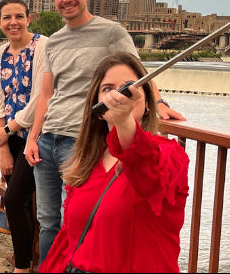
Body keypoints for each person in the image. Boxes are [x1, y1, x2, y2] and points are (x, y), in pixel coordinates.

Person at [26, 0, 185, 265]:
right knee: (48, 219)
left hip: (83, 138)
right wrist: (33, 137)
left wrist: (157, 101)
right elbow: (46, 93)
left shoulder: (112, 32)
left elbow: (135, 73)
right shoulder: (54, 41)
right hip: (49, 137)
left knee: (73, 216)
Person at [40, 53, 190, 273]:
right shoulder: (88, 160)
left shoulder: (169, 155)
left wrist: (124, 122)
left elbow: (147, 173)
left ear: (148, 103)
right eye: (108, 89)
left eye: (129, 87)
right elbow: (68, 240)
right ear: (97, 107)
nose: (119, 95)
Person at [0, 0, 46, 273]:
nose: (14, 22)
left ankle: (23, 267)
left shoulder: (42, 46)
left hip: (37, 135)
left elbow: (39, 99)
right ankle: (29, 260)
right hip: (9, 138)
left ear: (29, 18)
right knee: (22, 203)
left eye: (19, 16)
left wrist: (9, 129)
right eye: (7, 17)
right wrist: (3, 146)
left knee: (14, 201)